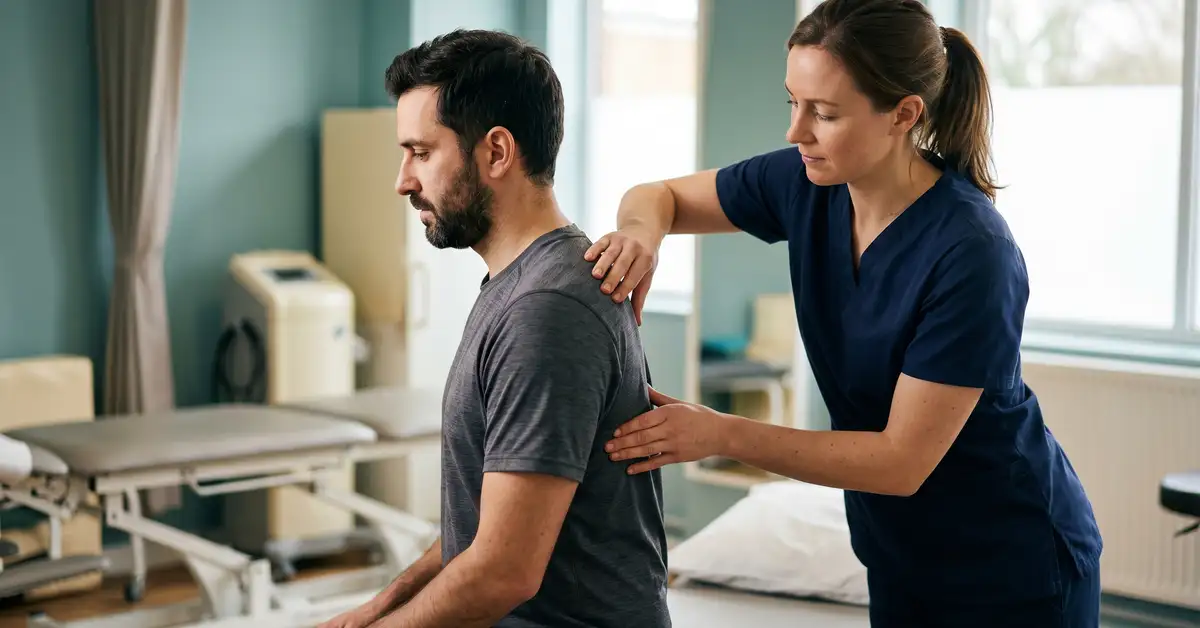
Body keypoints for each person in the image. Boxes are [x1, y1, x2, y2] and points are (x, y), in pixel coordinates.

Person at [588, 0, 1104, 626]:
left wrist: (720, 433)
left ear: (904, 114)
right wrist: (642, 235)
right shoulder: (806, 184)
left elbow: (899, 462)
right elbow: (657, 195)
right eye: (792, 103)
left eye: (824, 114)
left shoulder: (973, 253)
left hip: (1011, 565)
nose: (794, 131)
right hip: (899, 557)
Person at [317, 29, 671, 628]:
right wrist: (381, 607)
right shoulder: (522, 285)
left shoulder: (548, 309)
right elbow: (484, 528)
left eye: (422, 153)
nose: (403, 180)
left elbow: (503, 571)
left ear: (497, 152)